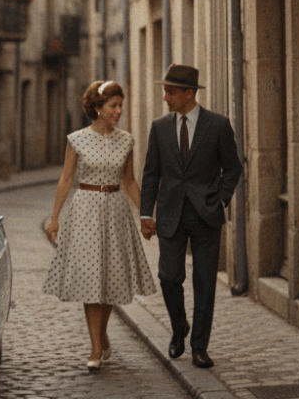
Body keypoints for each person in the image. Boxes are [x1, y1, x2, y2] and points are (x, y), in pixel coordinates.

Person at [44, 80, 157, 371]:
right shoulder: (77, 139)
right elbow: (66, 180)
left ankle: (102, 332)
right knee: (90, 280)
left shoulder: (127, 140)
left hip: (116, 211)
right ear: (97, 108)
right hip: (85, 211)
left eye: (121, 105)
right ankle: (96, 345)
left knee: (110, 279)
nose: (119, 111)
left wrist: (145, 214)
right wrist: (55, 217)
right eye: (113, 106)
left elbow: (129, 181)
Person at [140, 64, 242, 369]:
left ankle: (199, 347)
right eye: (165, 91)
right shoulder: (159, 127)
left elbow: (233, 167)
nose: (165, 97)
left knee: (204, 283)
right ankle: (179, 326)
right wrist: (146, 213)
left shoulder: (218, 125)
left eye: (170, 92)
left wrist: (220, 199)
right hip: (170, 214)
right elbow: (151, 173)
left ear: (188, 93)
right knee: (169, 276)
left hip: (206, 216)